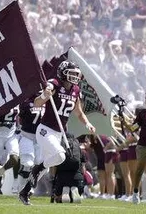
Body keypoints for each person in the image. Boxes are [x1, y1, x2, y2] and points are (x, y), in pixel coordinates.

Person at [18, 60, 96, 206]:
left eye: (76, 74)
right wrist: (45, 95)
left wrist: (88, 123)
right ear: (63, 73)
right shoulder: (54, 83)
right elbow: (37, 103)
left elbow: (79, 113)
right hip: (45, 130)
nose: (74, 77)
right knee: (60, 156)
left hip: (59, 133)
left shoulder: (75, 90)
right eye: (71, 74)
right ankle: (37, 168)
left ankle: (25, 192)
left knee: (47, 167)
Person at [51, 133, 85, 204]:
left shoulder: (59, 146)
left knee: (58, 196)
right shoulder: (78, 147)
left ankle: (64, 192)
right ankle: (75, 190)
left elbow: (54, 167)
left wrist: (54, 178)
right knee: (77, 190)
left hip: (61, 177)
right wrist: (81, 177)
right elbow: (83, 168)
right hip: (77, 177)